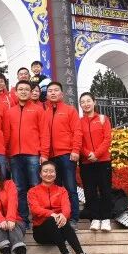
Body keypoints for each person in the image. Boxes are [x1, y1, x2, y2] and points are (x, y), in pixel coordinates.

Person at [28, 161, 96, 254]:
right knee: (52, 219)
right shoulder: (33, 191)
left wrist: (63, 215)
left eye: (52, 171)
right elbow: (35, 209)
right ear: (40, 174)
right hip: (41, 233)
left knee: (62, 220)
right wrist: (52, 214)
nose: (49, 174)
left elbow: (66, 207)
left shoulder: (62, 190)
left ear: (56, 174)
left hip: (60, 230)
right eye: (45, 171)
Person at [41, 82, 82, 228]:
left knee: (70, 188)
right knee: (55, 189)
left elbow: (77, 131)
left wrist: (75, 150)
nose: (53, 93)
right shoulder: (45, 112)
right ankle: (59, 217)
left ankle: (74, 218)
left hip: (67, 154)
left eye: (56, 90)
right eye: (50, 91)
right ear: (47, 94)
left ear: (62, 94)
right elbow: (44, 135)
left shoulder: (70, 110)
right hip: (51, 157)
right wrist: (44, 154)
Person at [5, 80, 45, 227]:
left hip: (33, 154)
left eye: (26, 89)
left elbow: (44, 133)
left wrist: (43, 153)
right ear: (15, 92)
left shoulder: (38, 110)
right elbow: (7, 135)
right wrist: (7, 154)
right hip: (15, 155)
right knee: (19, 188)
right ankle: (23, 219)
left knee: (35, 186)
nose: (23, 92)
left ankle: (39, 219)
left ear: (30, 92)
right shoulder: (10, 112)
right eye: (20, 89)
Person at [79, 92, 114, 232]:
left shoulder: (103, 119)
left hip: (103, 161)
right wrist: (88, 154)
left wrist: (97, 154)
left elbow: (107, 139)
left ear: (94, 102)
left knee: (105, 189)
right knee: (90, 191)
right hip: (86, 162)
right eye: (83, 102)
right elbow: (78, 141)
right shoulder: (79, 122)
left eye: (88, 101)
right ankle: (94, 218)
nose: (86, 104)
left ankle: (106, 218)